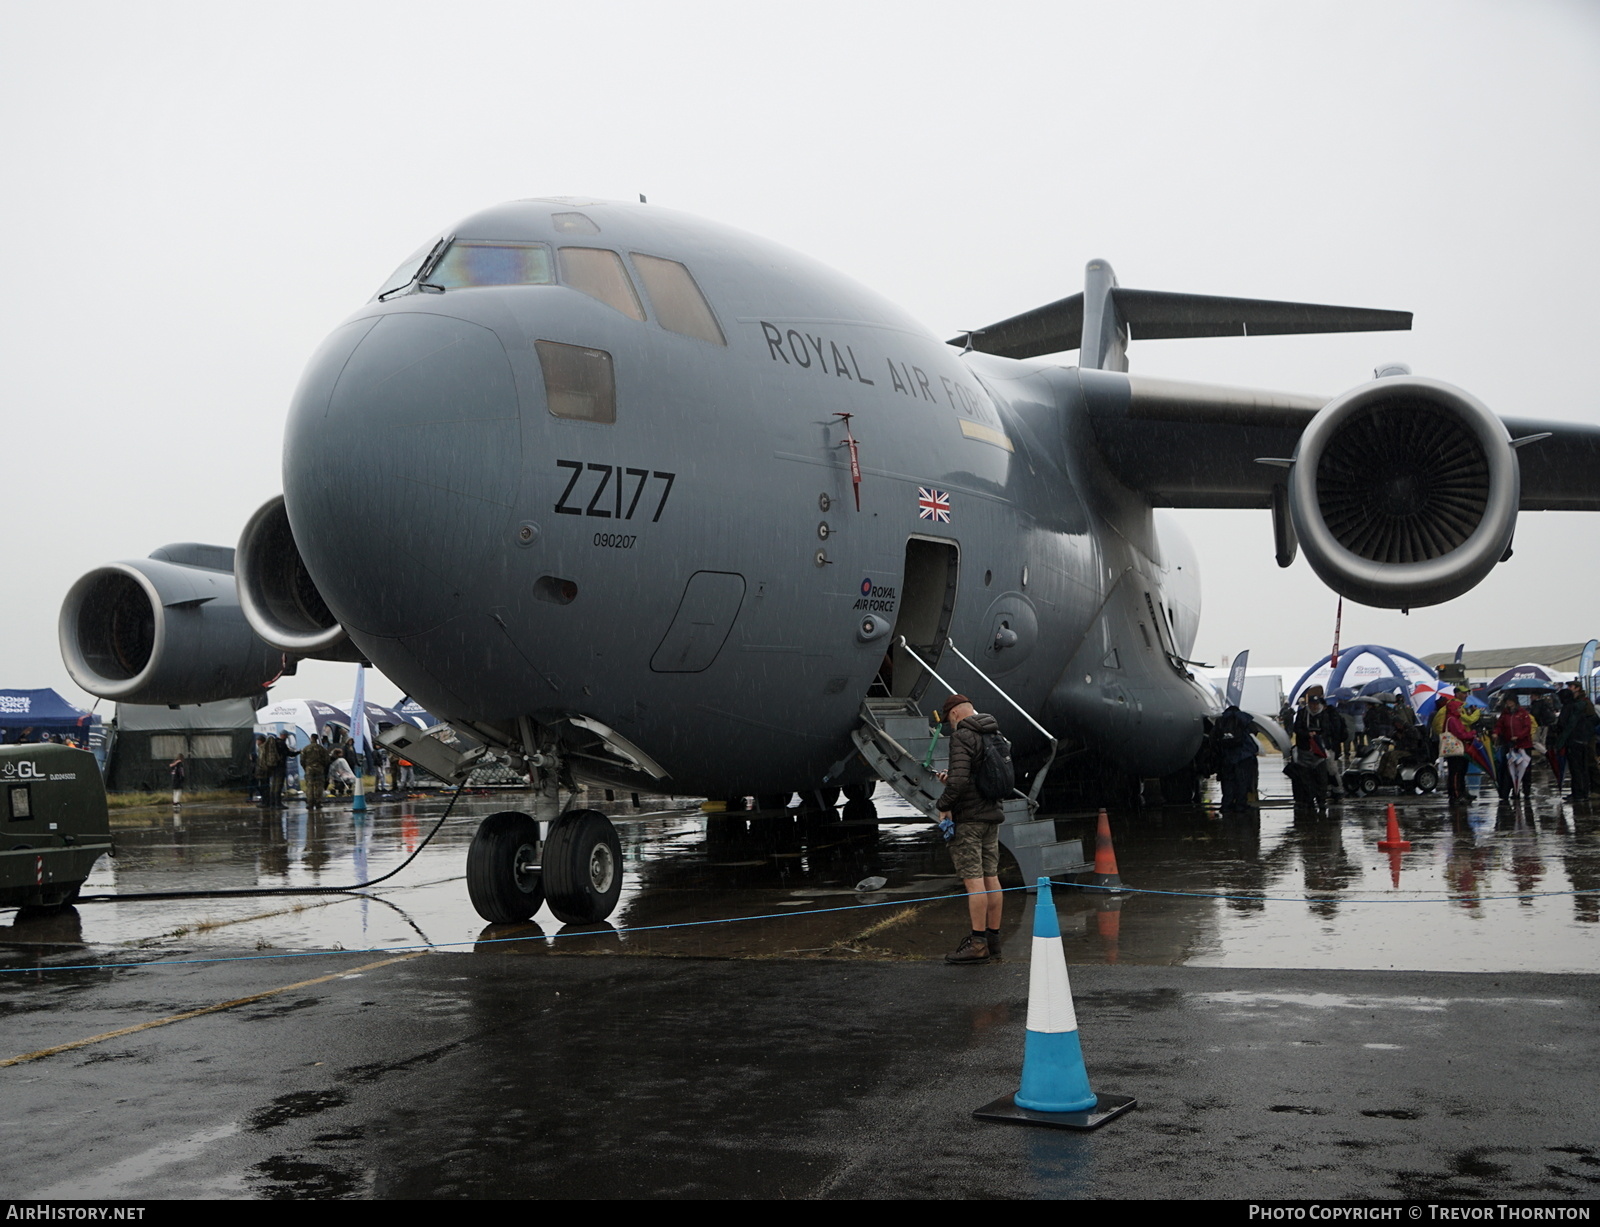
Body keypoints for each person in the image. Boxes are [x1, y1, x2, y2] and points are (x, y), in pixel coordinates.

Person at [933, 694, 1006, 965]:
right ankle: (994, 940)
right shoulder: (994, 733)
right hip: (991, 816)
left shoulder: (962, 736)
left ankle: (977, 944)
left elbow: (961, 780)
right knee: (991, 878)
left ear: (953, 715)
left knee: (973, 881)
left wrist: (944, 804)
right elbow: (983, 775)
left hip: (970, 821)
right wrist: (953, 780)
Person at [1292, 689, 1340, 809]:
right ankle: (1308, 800)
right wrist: (1307, 734)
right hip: (1304, 749)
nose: (1314, 707)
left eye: (1315, 704)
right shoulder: (1302, 714)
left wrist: (1319, 736)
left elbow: (1329, 730)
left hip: (1319, 751)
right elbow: (1296, 729)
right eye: (1311, 704)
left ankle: (1321, 800)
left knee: (1321, 777)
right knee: (1306, 778)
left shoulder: (1324, 715)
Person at [1210, 704, 1261, 812]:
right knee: (1242, 781)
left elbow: (1213, 738)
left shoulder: (1221, 720)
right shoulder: (1243, 718)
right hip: (1242, 756)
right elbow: (1254, 731)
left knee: (1228, 782)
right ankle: (1240, 805)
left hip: (1226, 757)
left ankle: (1227, 805)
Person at [1493, 693, 1536, 802]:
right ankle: (1513, 791)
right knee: (1510, 770)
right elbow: (1499, 725)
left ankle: (1526, 791)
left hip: (1523, 745)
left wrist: (1519, 736)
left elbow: (1527, 727)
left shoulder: (1523, 713)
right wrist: (1496, 733)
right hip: (1510, 745)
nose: (1508, 703)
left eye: (1510, 701)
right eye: (1507, 701)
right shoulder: (1505, 714)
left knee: (1525, 770)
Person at [300, 735, 330, 809]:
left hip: (309, 769)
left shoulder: (306, 748)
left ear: (311, 738)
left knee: (310, 786)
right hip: (319, 769)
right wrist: (322, 766)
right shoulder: (321, 748)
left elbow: (302, 760)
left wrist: (306, 767)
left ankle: (310, 803)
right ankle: (318, 802)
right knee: (319, 786)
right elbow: (327, 759)